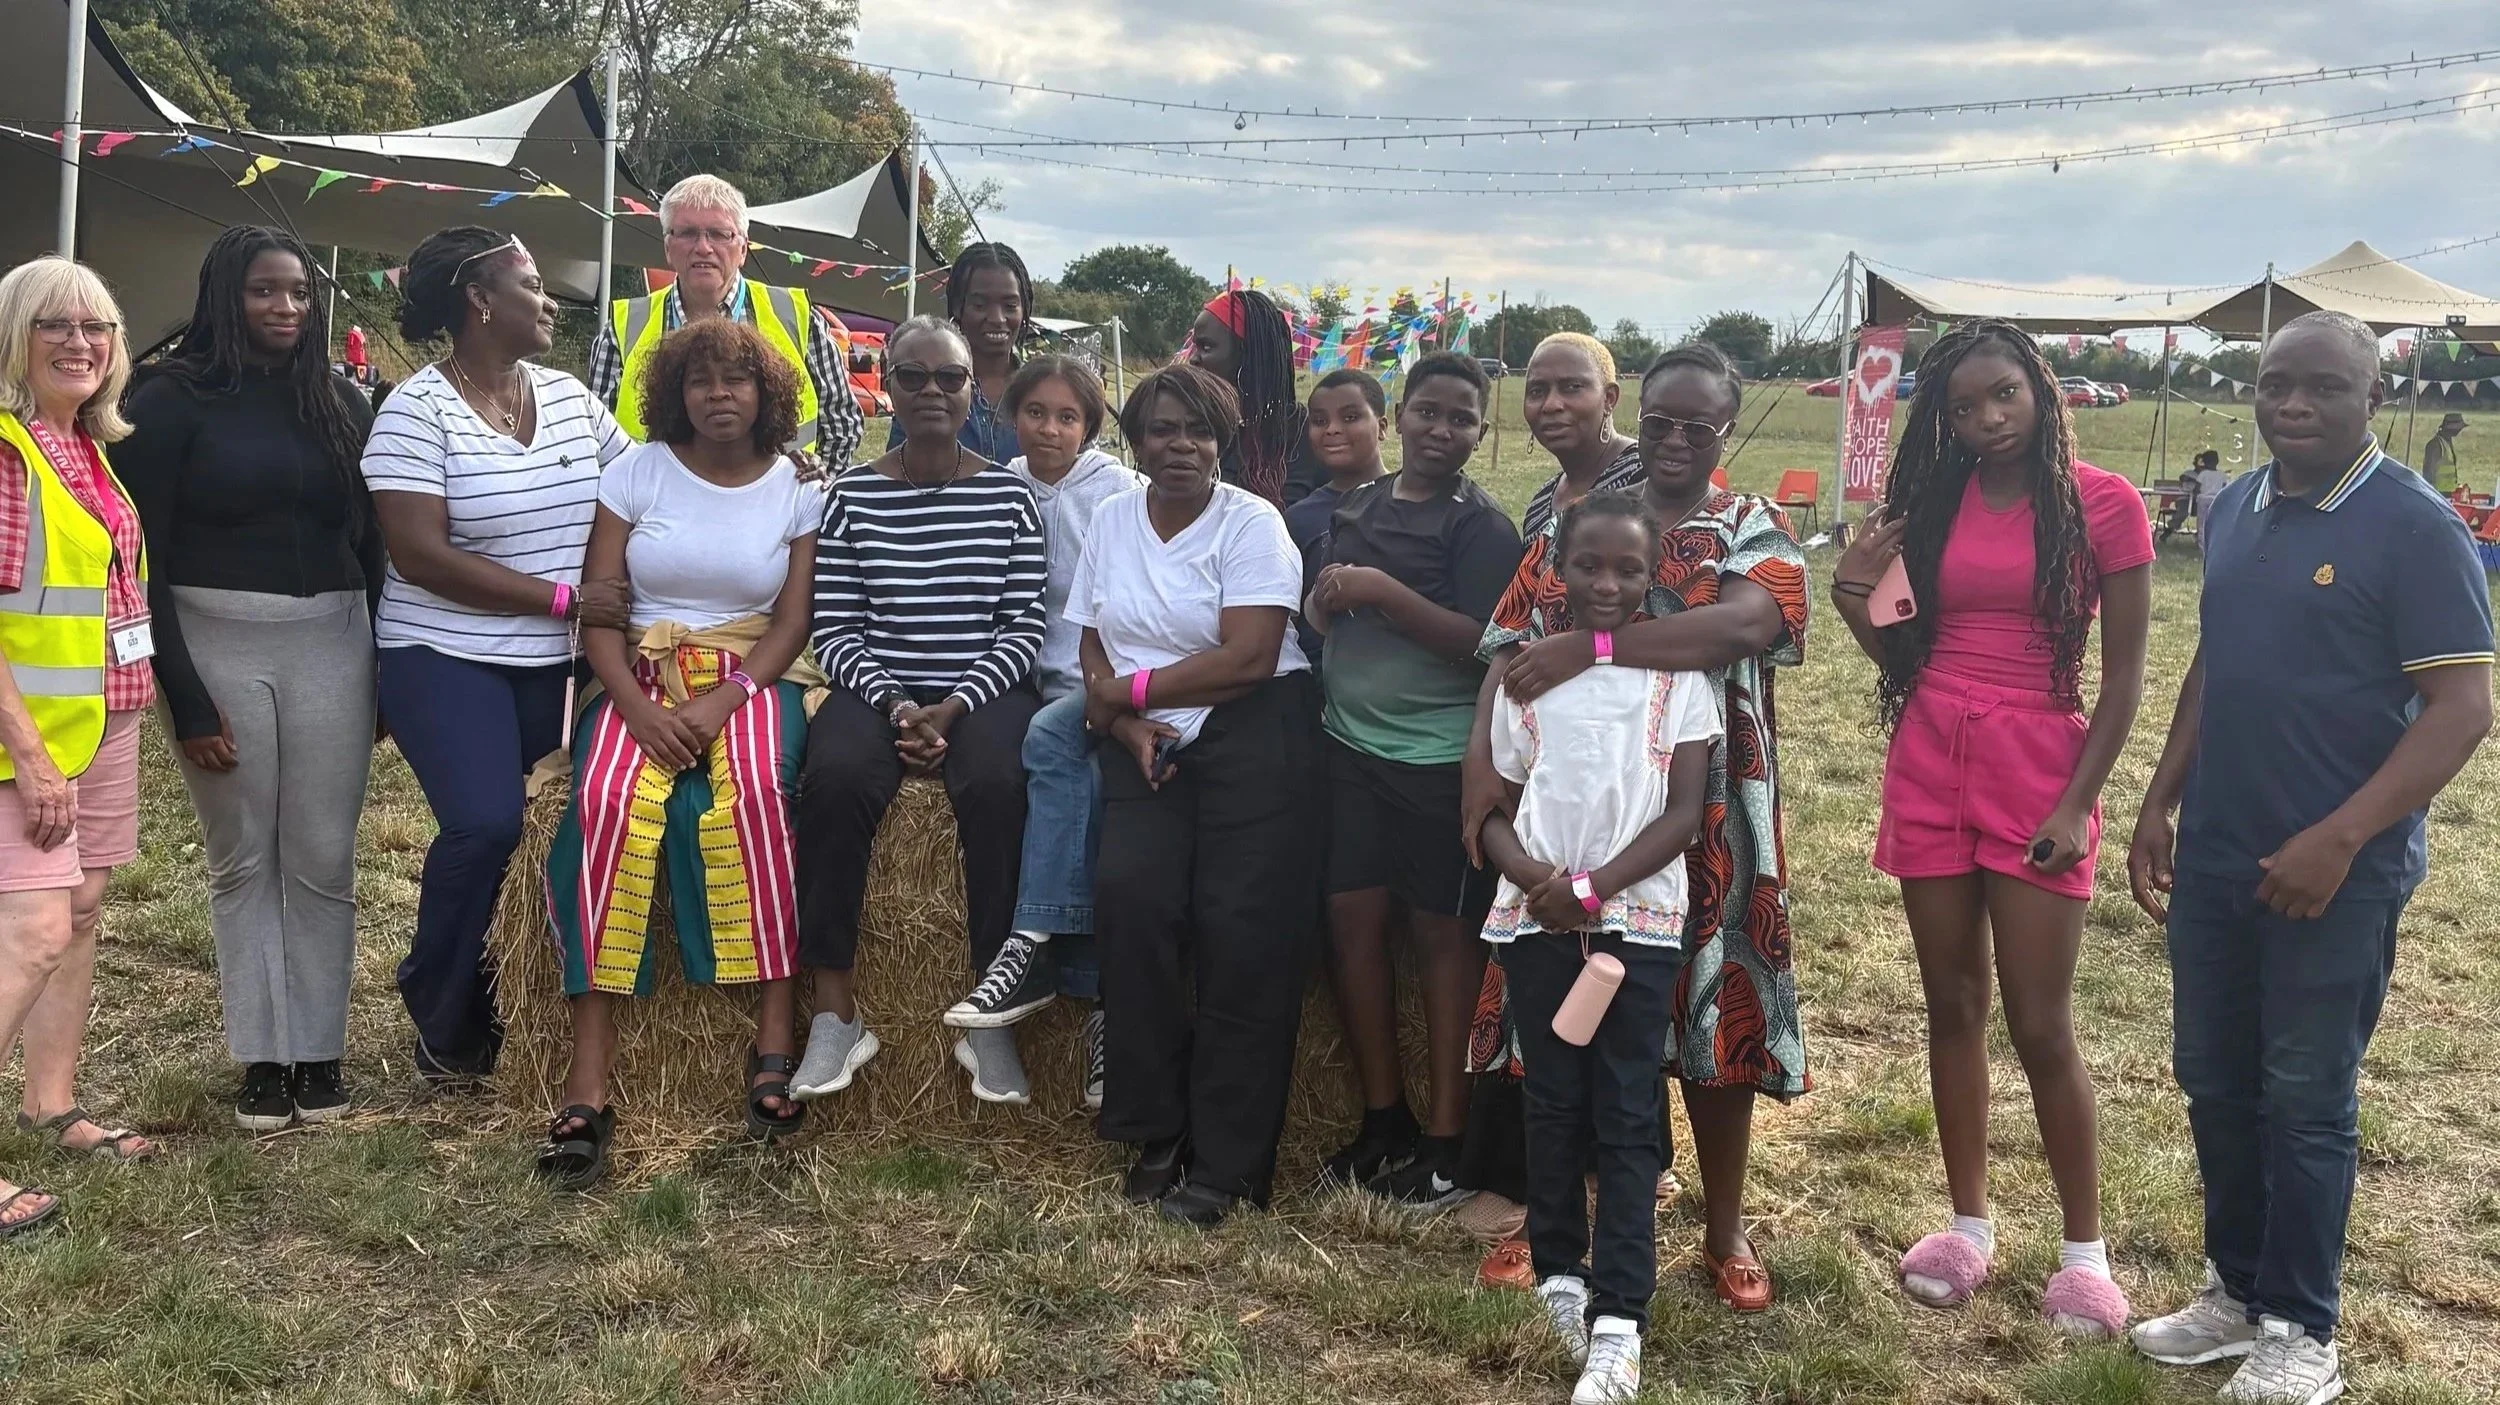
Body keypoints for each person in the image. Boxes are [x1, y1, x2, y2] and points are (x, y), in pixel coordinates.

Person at [2128, 311, 2493, 1404]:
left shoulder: (2414, 526)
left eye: (2324, 387)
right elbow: (2217, 658)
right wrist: (2161, 795)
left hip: (2337, 871)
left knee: (2305, 1094)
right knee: (2212, 1077)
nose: (2292, 404)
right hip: (2219, 855)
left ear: (2371, 398)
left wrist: (2339, 839)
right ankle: (2236, 1292)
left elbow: (2461, 707)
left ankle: (2302, 1327)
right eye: (2275, 382)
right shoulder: (2237, 505)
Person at [1462, 344, 1809, 1314]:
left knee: (1714, 999)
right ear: (1636, 415)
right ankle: (1558, 1218)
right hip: (1571, 806)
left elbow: (1743, 626)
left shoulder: (1750, 523)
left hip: (1708, 797)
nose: (1676, 439)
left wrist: (1596, 644)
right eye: (1661, 420)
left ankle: (1723, 1225)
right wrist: (1479, 773)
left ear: (1726, 430)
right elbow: (1507, 646)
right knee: (1565, 1006)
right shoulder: (1583, 522)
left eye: (1699, 425)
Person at [1831, 319, 2152, 1338]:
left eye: (2004, 394)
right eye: (1964, 407)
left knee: (2040, 1023)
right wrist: (1850, 593)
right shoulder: (1932, 504)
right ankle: (1967, 1226)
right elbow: (1905, 658)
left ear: (2040, 389)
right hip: (1931, 753)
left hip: (2038, 766)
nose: (1988, 419)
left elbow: (2125, 680)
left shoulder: (2104, 503)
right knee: (1952, 1002)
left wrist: (2076, 803)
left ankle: (2085, 1256)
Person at [536, 319, 827, 1187]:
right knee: (606, 804)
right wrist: (634, 707)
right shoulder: (636, 472)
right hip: (641, 674)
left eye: (737, 379)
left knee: (760, 796)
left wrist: (725, 699)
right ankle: (589, 1076)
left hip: (753, 675)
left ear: (766, 393)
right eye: (701, 380)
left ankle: (774, 1042)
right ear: (676, 393)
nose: (719, 394)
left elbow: (793, 621)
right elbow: (602, 609)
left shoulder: (797, 486)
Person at [119, 226, 380, 1130]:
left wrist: (381, 663)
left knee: (323, 855)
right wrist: (184, 694)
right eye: (265, 290)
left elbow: (373, 541)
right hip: (215, 639)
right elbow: (141, 562)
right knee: (245, 857)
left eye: (300, 293)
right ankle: (262, 1057)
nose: (285, 307)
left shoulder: (342, 400)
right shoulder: (167, 400)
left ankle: (319, 1049)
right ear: (225, 296)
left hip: (335, 640)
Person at [364, 228, 633, 1087]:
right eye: (531, 284)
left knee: (556, 829)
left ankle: (523, 1006)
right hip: (442, 652)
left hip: (559, 662)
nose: (550, 300)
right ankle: (443, 1012)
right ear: (480, 301)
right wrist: (564, 600)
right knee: (487, 824)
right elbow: (420, 556)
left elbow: (642, 491)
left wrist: (767, 469)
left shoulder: (571, 398)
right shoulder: (416, 410)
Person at [1480, 490, 1721, 1405]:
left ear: (1653, 574)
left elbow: (1684, 812)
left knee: (1625, 1111)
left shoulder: (1677, 680)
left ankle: (1619, 1319)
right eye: (1588, 565)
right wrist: (1532, 878)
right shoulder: (1526, 676)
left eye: (1628, 568)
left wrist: (1593, 887)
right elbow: (1497, 804)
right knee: (1551, 1100)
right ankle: (1558, 1275)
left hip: (1637, 922)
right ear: (1557, 570)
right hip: (1536, 919)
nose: (1607, 583)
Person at [1080, 363, 1320, 1229]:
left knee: (1241, 933)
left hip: (1254, 731)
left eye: (1198, 431)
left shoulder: (1253, 523)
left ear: (1224, 442)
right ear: (1135, 442)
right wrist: (1123, 722)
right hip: (1147, 739)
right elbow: (1092, 641)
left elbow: (1249, 655)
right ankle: (1156, 1125)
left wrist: (1127, 695)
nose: (1179, 445)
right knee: (1133, 904)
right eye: (1161, 429)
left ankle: (1228, 1164)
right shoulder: (1112, 518)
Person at [790, 317, 1046, 1106]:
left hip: (983, 690)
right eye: (911, 376)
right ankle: (835, 1012)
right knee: (832, 778)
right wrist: (901, 705)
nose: (931, 390)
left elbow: (1024, 625)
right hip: (880, 689)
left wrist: (957, 706)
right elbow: (835, 628)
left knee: (1001, 785)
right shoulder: (851, 496)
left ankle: (990, 1011)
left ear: (974, 391)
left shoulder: (1011, 494)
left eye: (950, 377)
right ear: (888, 388)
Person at [1304, 353, 1520, 1203]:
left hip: (1436, 762)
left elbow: (1488, 643)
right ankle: (1382, 1118)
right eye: (1428, 411)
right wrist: (1327, 601)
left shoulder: (1481, 527)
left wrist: (1385, 593)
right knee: (1351, 922)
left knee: (1442, 938)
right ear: (1398, 416)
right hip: (1349, 751)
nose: (1441, 429)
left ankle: (1447, 1142)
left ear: (1480, 431)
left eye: (1461, 418)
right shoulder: (1356, 505)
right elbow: (1320, 614)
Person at [0, 257, 161, 1239]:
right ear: (13, 338)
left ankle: (49, 1103)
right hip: (30, 741)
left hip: (103, 723)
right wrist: (27, 750)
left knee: (83, 913)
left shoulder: (86, 447)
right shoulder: (9, 453)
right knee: (33, 933)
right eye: (54, 324)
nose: (79, 342)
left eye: (97, 326)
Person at [941, 355, 1134, 1110]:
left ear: (1090, 427)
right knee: (1036, 781)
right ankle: (1084, 994)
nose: (1049, 429)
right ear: (1010, 418)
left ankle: (1073, 981)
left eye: (1068, 416)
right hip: (1027, 678)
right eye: (1035, 413)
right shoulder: (1000, 486)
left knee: (1103, 798)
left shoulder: (1120, 493)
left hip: (1104, 676)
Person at [588, 174, 864, 469]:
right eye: (687, 233)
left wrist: (808, 489)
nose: (703, 247)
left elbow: (842, 423)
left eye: (719, 234)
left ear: (743, 248)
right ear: (667, 247)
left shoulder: (796, 317)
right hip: (653, 498)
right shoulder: (623, 328)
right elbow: (594, 437)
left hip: (778, 499)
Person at [883, 242, 1030, 465]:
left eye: (1010, 306)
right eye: (980, 305)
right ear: (957, 307)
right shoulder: (926, 387)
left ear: (1024, 309)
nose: (997, 318)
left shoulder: (1040, 390)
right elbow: (899, 469)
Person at [1184, 289, 1320, 505]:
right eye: (1194, 347)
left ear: (1246, 353)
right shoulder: (1193, 427)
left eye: (1206, 347)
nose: (1193, 359)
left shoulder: (1303, 434)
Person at [1516, 333, 1642, 540]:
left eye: (1572, 388)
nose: (1551, 405)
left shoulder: (1644, 478)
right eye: (1537, 391)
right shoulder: (1540, 505)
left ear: (1609, 398)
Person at [1283, 368, 1388, 555]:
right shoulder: (1297, 520)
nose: (1332, 429)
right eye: (1319, 421)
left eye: (1350, 418)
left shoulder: (1413, 501)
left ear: (1382, 427)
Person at [2419, 411, 2465, 495]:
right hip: (2438, 493)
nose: (2459, 430)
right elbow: (2428, 472)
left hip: (2449, 493)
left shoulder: (2447, 442)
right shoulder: (2435, 445)